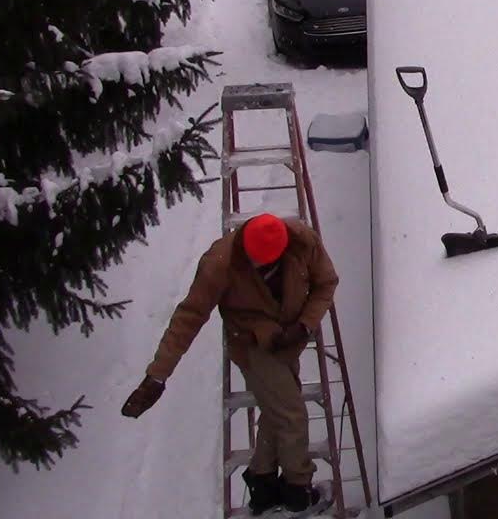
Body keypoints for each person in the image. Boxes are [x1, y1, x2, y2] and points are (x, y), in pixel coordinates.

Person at [122, 213, 340, 516]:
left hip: (289, 339)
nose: (263, 269)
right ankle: (298, 492)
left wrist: (304, 326)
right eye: (258, 265)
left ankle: (262, 482)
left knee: (277, 410)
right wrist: (156, 377)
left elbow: (326, 283)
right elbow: (189, 317)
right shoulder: (220, 263)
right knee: (291, 416)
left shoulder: (303, 242)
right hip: (252, 343)